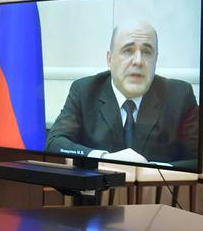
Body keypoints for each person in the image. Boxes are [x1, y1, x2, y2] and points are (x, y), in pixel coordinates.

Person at [46, 20, 199, 169]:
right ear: (109, 59)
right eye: (128, 51)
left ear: (156, 59)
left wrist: (153, 170)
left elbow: (197, 159)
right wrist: (104, 158)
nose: (138, 61)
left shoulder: (179, 96)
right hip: (98, 191)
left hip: (158, 192)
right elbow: (55, 143)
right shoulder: (85, 91)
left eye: (147, 52)